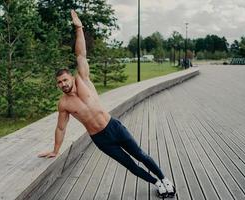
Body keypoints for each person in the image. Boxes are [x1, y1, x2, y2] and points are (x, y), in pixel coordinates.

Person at [38, 10, 176, 198]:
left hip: (114, 126)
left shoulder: (83, 80)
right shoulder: (64, 104)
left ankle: (165, 178)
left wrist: (79, 28)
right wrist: (55, 150)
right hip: (100, 139)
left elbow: (80, 54)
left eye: (64, 80)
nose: (63, 84)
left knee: (140, 155)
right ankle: (157, 183)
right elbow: (61, 128)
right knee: (129, 165)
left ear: (70, 76)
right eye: (59, 82)